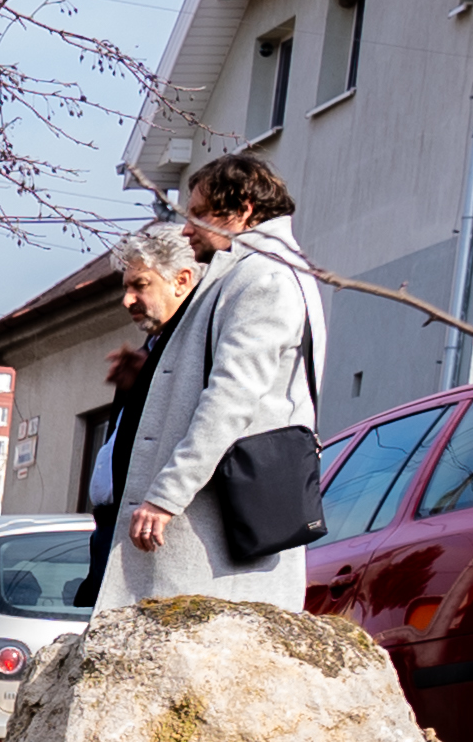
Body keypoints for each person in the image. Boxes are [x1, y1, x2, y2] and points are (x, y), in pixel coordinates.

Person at [112, 150, 322, 608]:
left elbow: (231, 398)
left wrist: (166, 495)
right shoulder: (248, 273)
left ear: (243, 210)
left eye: (199, 215)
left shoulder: (264, 279)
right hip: (213, 529)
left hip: (216, 536)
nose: (186, 230)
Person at [77, 224, 201, 600]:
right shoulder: (154, 345)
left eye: (140, 285)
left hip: (148, 532)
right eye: (126, 287)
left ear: (181, 281)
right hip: (112, 525)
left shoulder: (196, 343)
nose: (127, 300)